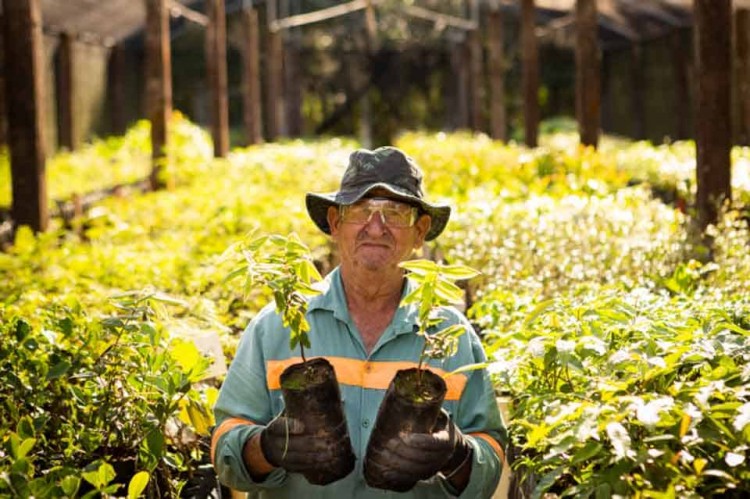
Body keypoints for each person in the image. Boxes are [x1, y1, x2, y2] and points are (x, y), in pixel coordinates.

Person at [211, 146, 507, 498]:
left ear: (420, 232)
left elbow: (492, 458)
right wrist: (266, 448)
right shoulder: (274, 326)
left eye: (395, 212)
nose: (376, 227)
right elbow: (224, 449)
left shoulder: (449, 334)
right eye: (361, 211)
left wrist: (458, 454)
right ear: (335, 224)